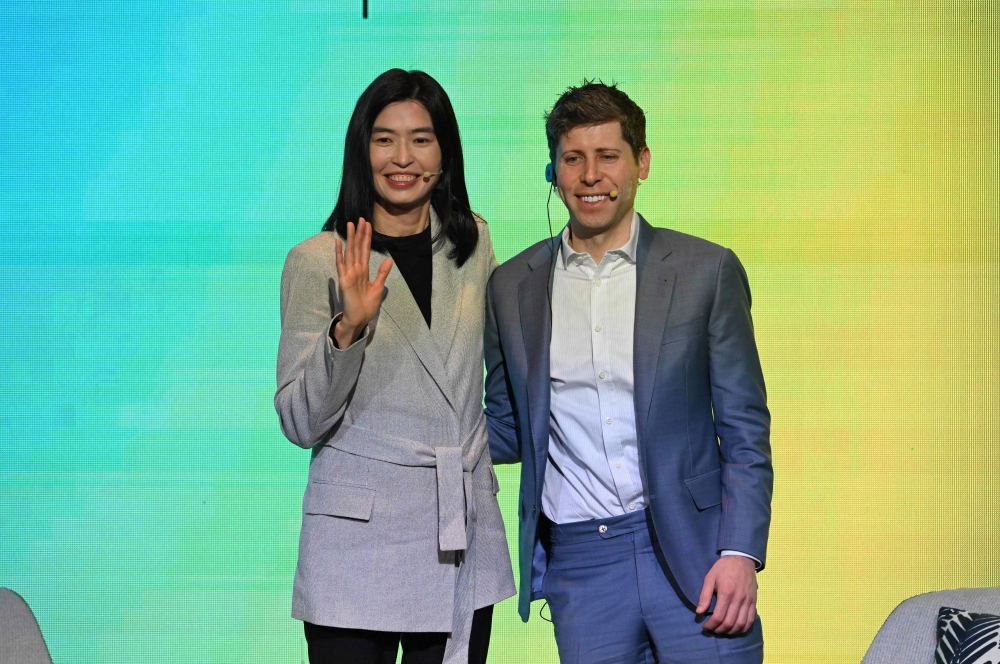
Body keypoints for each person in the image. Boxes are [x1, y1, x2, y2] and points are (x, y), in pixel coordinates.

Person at [484, 81, 773, 663]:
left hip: (698, 560)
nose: (591, 175)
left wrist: (740, 553)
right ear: (554, 171)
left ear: (641, 163)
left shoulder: (704, 271)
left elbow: (745, 429)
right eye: (573, 159)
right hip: (583, 566)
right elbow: (506, 428)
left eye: (608, 156)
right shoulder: (512, 287)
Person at [275, 68, 515, 664]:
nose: (402, 157)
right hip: (356, 546)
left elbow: (494, 370)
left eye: (421, 138)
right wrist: (347, 329)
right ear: (363, 150)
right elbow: (300, 422)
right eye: (384, 139)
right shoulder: (317, 260)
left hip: (457, 533)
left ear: (444, 151)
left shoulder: (474, 242)